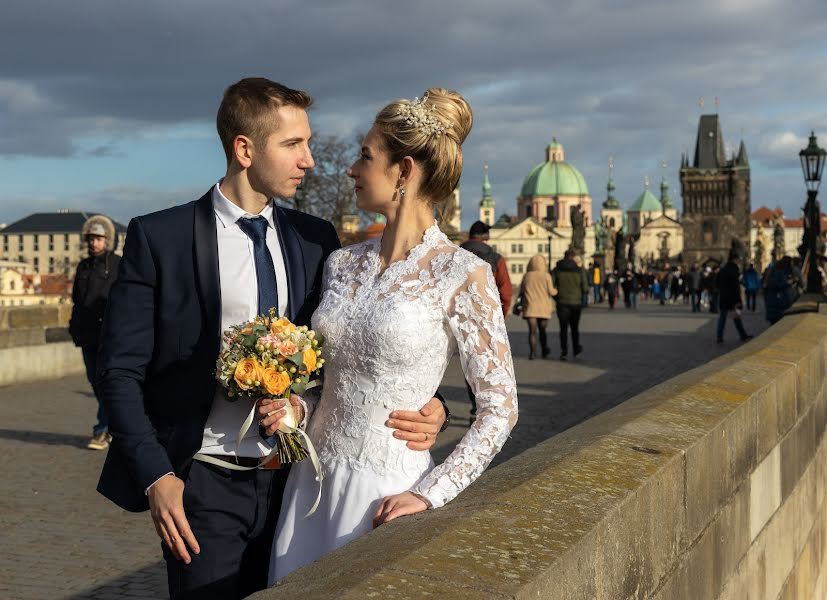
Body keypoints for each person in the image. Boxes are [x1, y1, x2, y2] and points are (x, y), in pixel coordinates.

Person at [95, 78, 446, 600]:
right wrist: (157, 476)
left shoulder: (315, 239)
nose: (309, 160)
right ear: (244, 149)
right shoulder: (160, 237)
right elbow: (118, 369)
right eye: (293, 145)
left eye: (307, 142)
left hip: (303, 483)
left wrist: (427, 401)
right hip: (204, 480)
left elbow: (350, 348)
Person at [267, 89, 518, 582]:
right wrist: (299, 406)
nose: (351, 170)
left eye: (365, 157)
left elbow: (501, 406)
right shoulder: (341, 264)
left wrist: (432, 491)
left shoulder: (463, 273)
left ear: (403, 171)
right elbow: (332, 379)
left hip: (386, 489)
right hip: (310, 483)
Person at [69, 216, 121, 451]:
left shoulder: (118, 264)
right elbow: (76, 301)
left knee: (105, 382)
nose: (94, 243)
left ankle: (102, 430)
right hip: (86, 335)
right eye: (91, 238)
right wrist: (74, 326)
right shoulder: (83, 266)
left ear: (107, 240)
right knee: (95, 383)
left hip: (109, 335)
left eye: (98, 238)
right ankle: (115, 425)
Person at [460, 220, 512, 414]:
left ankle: (474, 404)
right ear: (486, 237)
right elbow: (505, 292)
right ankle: (485, 406)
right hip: (486, 317)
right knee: (486, 361)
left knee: (468, 361)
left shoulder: (454, 253)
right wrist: (501, 316)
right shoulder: (496, 258)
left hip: (459, 315)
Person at [553, 249, 588, 360]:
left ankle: (564, 351)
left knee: (563, 328)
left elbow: (551, 286)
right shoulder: (579, 270)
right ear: (573, 257)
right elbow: (585, 288)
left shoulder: (557, 270)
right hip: (576, 303)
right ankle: (576, 350)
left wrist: (557, 297)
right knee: (574, 328)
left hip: (562, 303)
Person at [520, 254, 557, 360]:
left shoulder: (527, 276)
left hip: (530, 307)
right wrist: (556, 290)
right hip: (543, 308)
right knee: (542, 331)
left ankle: (532, 352)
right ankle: (544, 349)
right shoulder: (546, 276)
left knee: (532, 332)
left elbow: (522, 291)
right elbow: (551, 292)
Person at [716, 253, 752, 343]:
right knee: (736, 318)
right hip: (732, 298)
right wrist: (738, 300)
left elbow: (717, 283)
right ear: (734, 260)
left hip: (724, 297)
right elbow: (736, 288)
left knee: (723, 318)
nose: (739, 261)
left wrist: (722, 291)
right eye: (738, 260)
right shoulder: (734, 271)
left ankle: (719, 336)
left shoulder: (722, 270)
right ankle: (743, 335)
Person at [765, 256, 795, 324]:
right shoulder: (779, 272)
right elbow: (776, 285)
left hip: (775, 304)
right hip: (777, 304)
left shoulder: (776, 271)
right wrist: (788, 283)